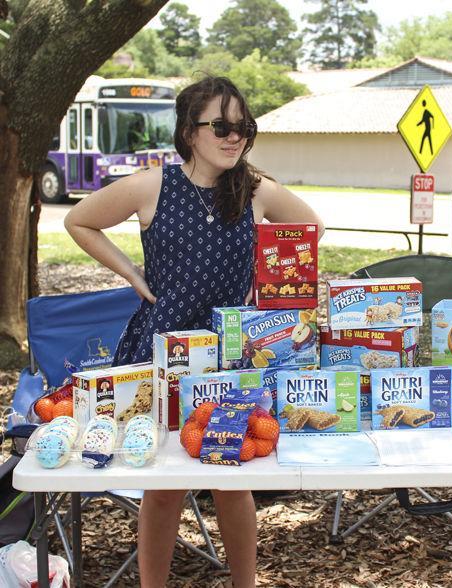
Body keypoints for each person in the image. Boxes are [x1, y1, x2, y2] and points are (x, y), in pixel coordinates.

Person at [64, 76, 325, 588]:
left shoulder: (256, 190)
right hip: (160, 352)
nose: (235, 138)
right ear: (189, 130)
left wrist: (270, 282)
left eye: (244, 128)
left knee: (232, 479)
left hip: (231, 356)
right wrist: (132, 274)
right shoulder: (151, 185)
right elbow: (79, 221)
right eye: (222, 127)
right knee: (163, 485)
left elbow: (309, 229)